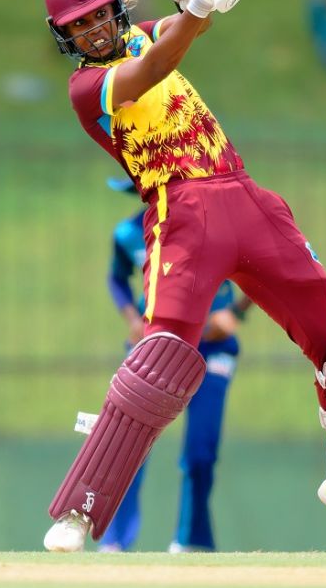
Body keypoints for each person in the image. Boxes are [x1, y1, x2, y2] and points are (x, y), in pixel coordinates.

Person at [40, 0, 326, 553]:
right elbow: (152, 70)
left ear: (114, 10)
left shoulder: (144, 34)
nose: (93, 32)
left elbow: (179, 32)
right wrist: (195, 13)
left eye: (99, 15)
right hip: (180, 210)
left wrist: (205, 1)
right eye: (78, 27)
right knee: (160, 358)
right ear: (66, 38)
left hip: (244, 195)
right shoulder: (88, 88)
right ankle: (82, 508)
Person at [99, 177, 249, 553]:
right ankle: (115, 539)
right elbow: (116, 279)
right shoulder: (129, 233)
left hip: (211, 349)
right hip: (153, 348)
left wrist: (234, 313)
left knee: (200, 450)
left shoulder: (212, 227)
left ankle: (191, 541)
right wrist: (133, 319)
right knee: (127, 445)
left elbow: (261, 266)